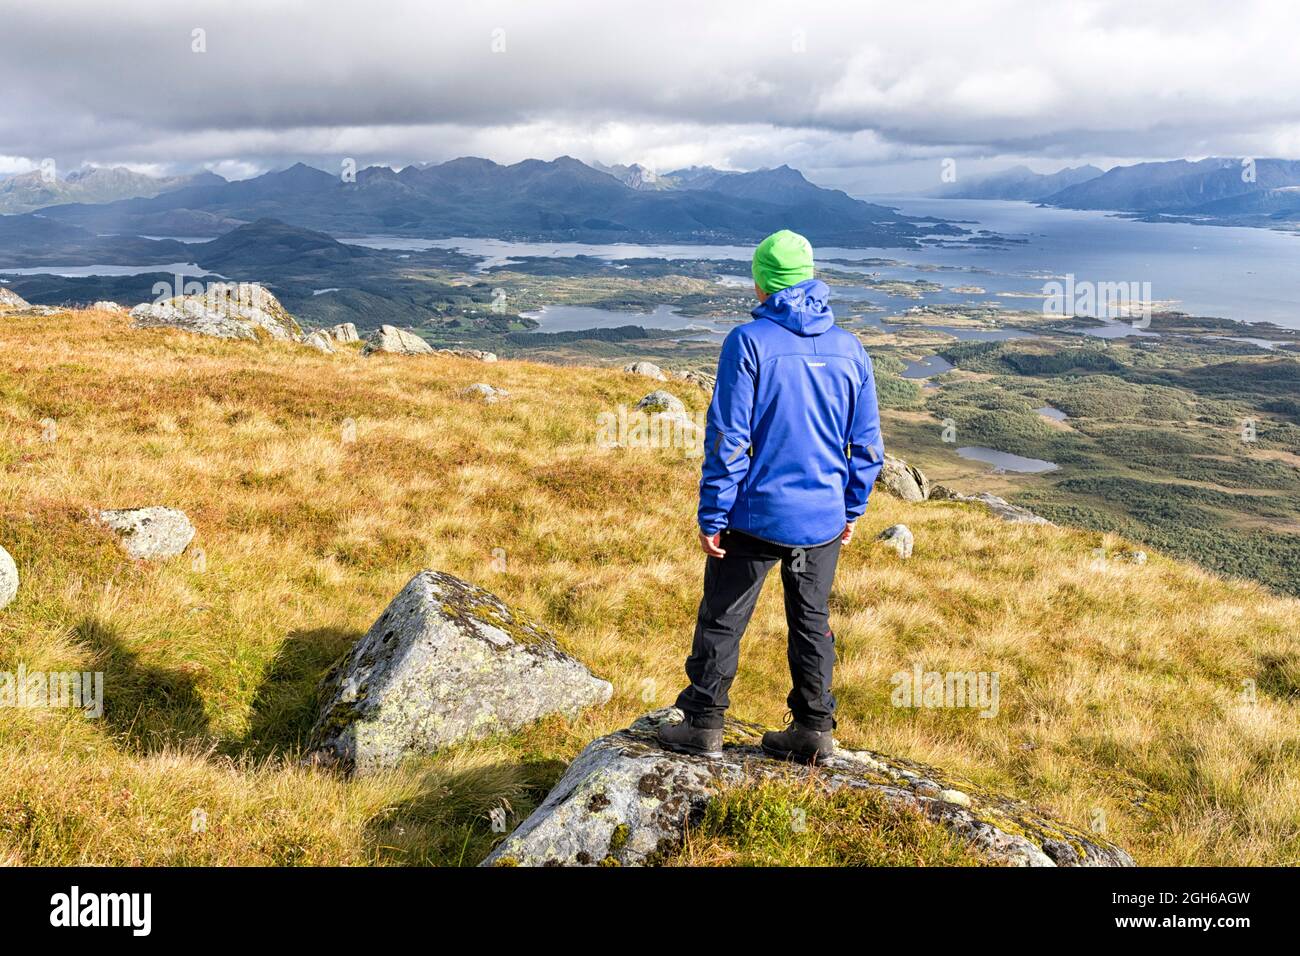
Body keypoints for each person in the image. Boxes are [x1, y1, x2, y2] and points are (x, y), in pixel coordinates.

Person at [659, 229, 885, 764]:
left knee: (723, 616)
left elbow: (729, 438)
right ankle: (813, 730)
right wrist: (851, 508)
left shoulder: (748, 342)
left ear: (762, 282)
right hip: (822, 518)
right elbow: (868, 444)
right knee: (812, 619)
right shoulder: (850, 348)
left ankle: (704, 725)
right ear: (809, 278)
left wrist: (714, 513)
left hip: (754, 515)